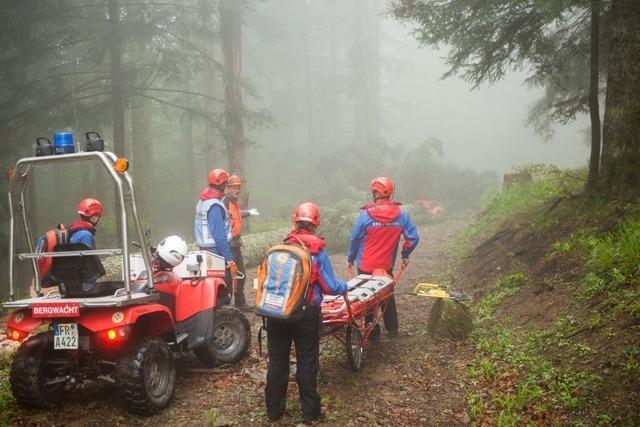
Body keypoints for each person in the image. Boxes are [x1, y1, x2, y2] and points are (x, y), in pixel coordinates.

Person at [265, 202, 349, 424]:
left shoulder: (282, 247)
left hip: (276, 312)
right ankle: (309, 413)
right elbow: (330, 286)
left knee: (277, 362)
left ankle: (274, 412)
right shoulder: (316, 250)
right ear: (316, 223)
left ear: (295, 221)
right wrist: (346, 286)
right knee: (307, 361)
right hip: (305, 314)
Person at [347, 177, 419, 339]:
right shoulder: (401, 215)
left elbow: (355, 240)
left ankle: (373, 334)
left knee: (367, 297)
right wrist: (405, 254)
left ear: (375, 193)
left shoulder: (365, 216)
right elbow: (412, 238)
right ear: (390, 194)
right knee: (387, 294)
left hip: (365, 266)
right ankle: (392, 328)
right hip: (386, 266)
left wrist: (350, 259)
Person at [194, 168, 237, 299]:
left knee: (209, 287)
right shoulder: (214, 205)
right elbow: (219, 235)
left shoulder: (203, 201)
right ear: (223, 184)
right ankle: (224, 315)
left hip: (205, 249)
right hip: (216, 251)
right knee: (223, 286)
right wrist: (229, 259)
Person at [223, 174, 259, 311]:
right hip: (229, 244)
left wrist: (249, 212)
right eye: (233, 188)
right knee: (230, 277)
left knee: (241, 273)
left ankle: (240, 303)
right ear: (228, 188)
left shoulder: (234, 202)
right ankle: (226, 305)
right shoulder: (225, 202)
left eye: (238, 187)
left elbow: (237, 215)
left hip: (236, 243)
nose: (236, 190)